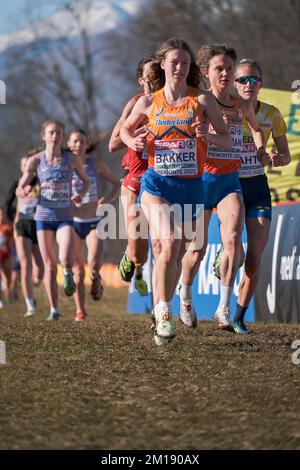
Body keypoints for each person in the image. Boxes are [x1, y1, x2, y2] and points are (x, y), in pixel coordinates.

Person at [120, 38, 231, 342]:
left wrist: (208, 134)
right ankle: (165, 312)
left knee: (175, 251)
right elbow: (125, 131)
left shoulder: (203, 100)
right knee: (168, 243)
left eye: (185, 63)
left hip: (191, 187)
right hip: (156, 184)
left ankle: (159, 311)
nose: (180, 68)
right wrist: (135, 143)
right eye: (174, 62)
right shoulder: (148, 102)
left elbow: (226, 140)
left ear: (190, 67)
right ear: (163, 66)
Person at [180, 44, 268, 331]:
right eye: (219, 69)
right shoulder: (201, 102)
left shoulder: (241, 105)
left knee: (232, 240)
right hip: (203, 183)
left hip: (231, 183)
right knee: (197, 252)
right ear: (206, 73)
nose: (226, 74)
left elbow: (256, 128)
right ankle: (185, 295)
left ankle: (223, 309)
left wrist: (260, 150)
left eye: (230, 69)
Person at [213, 58, 290, 333]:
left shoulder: (272, 114)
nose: (248, 85)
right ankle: (225, 259)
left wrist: (275, 158)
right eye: (243, 80)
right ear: (234, 83)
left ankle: (238, 317)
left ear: (261, 83)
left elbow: (285, 155)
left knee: (256, 256)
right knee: (237, 250)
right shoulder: (226, 109)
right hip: (229, 185)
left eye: (253, 80)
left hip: (257, 185)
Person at [16, 120, 89, 321]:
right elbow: (19, 188)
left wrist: (80, 195)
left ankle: (66, 272)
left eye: (58, 133)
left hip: (65, 216)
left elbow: (86, 182)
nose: (55, 136)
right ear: (44, 136)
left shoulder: (71, 159)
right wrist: (24, 190)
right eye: (51, 132)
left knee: (66, 258)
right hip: (43, 217)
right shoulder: (35, 161)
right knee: (48, 266)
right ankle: (54, 310)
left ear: (62, 137)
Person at [109, 56, 157, 297]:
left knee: (160, 244)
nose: (155, 80)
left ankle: (163, 302)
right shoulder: (135, 104)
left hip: (162, 179)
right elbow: (113, 144)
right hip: (135, 180)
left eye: (158, 74)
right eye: (150, 77)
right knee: (139, 250)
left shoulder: (173, 103)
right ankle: (134, 264)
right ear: (141, 81)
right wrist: (137, 131)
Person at [68, 129, 120, 321]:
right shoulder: (64, 167)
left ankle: (96, 277)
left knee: (94, 263)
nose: (78, 145)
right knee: (77, 270)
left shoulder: (96, 165)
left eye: (81, 141)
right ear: (69, 144)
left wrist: (108, 198)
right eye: (74, 141)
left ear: (86, 145)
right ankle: (80, 311)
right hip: (72, 222)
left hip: (93, 221)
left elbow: (117, 183)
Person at [14, 151, 44, 317]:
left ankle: (36, 282)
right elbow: (7, 203)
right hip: (22, 225)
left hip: (38, 224)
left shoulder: (42, 181)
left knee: (40, 268)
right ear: (21, 167)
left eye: (29, 165)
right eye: (24, 165)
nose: (27, 168)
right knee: (26, 264)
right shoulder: (18, 182)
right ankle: (30, 304)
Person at [0, 207, 14, 306]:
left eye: (2, 215)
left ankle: (8, 297)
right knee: (2, 278)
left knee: (8, 278)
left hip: (6, 255)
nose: (1, 217)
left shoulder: (7, 228)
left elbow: (12, 241)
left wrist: (9, 246)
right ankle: (1, 301)